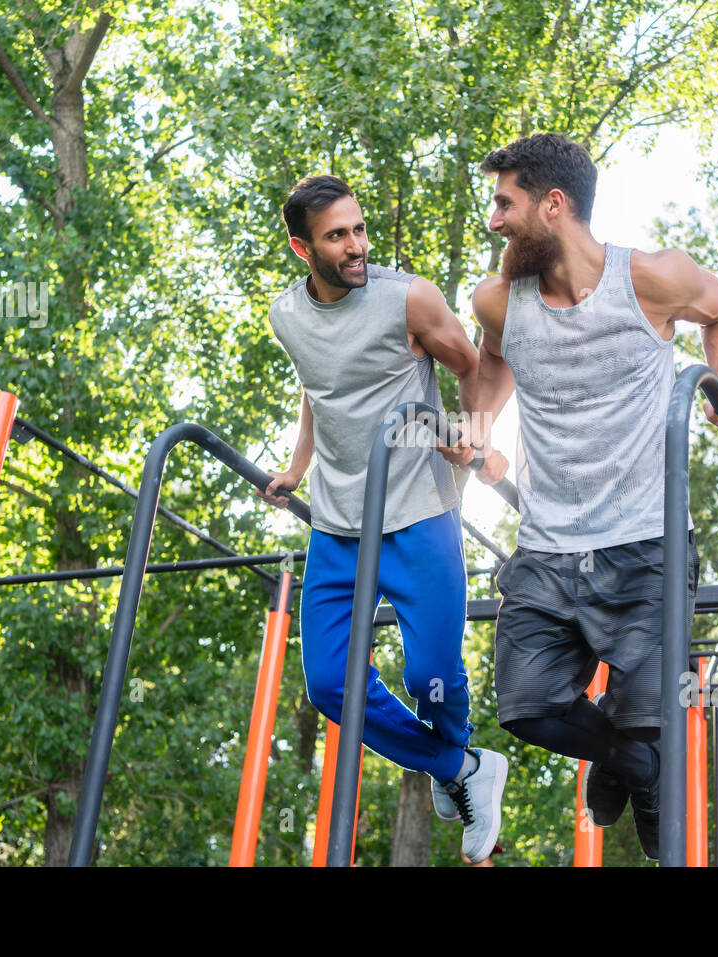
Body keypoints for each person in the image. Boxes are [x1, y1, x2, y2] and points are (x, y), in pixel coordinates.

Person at [462, 133, 718, 860]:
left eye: (505, 203)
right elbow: (494, 363)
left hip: (644, 542)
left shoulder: (652, 278)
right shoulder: (498, 301)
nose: (494, 220)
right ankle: (626, 757)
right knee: (527, 707)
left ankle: (645, 775)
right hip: (547, 542)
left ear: (554, 205)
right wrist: (477, 426)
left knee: (652, 723)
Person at [261, 174, 510, 863]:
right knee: (329, 684)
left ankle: (452, 757)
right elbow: (321, 386)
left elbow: (474, 361)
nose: (356, 245)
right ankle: (459, 767)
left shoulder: (409, 297)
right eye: (337, 235)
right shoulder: (286, 315)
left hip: (419, 510)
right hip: (339, 525)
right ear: (300, 248)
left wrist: (473, 434)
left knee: (430, 672)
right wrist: (297, 465)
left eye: (360, 229)